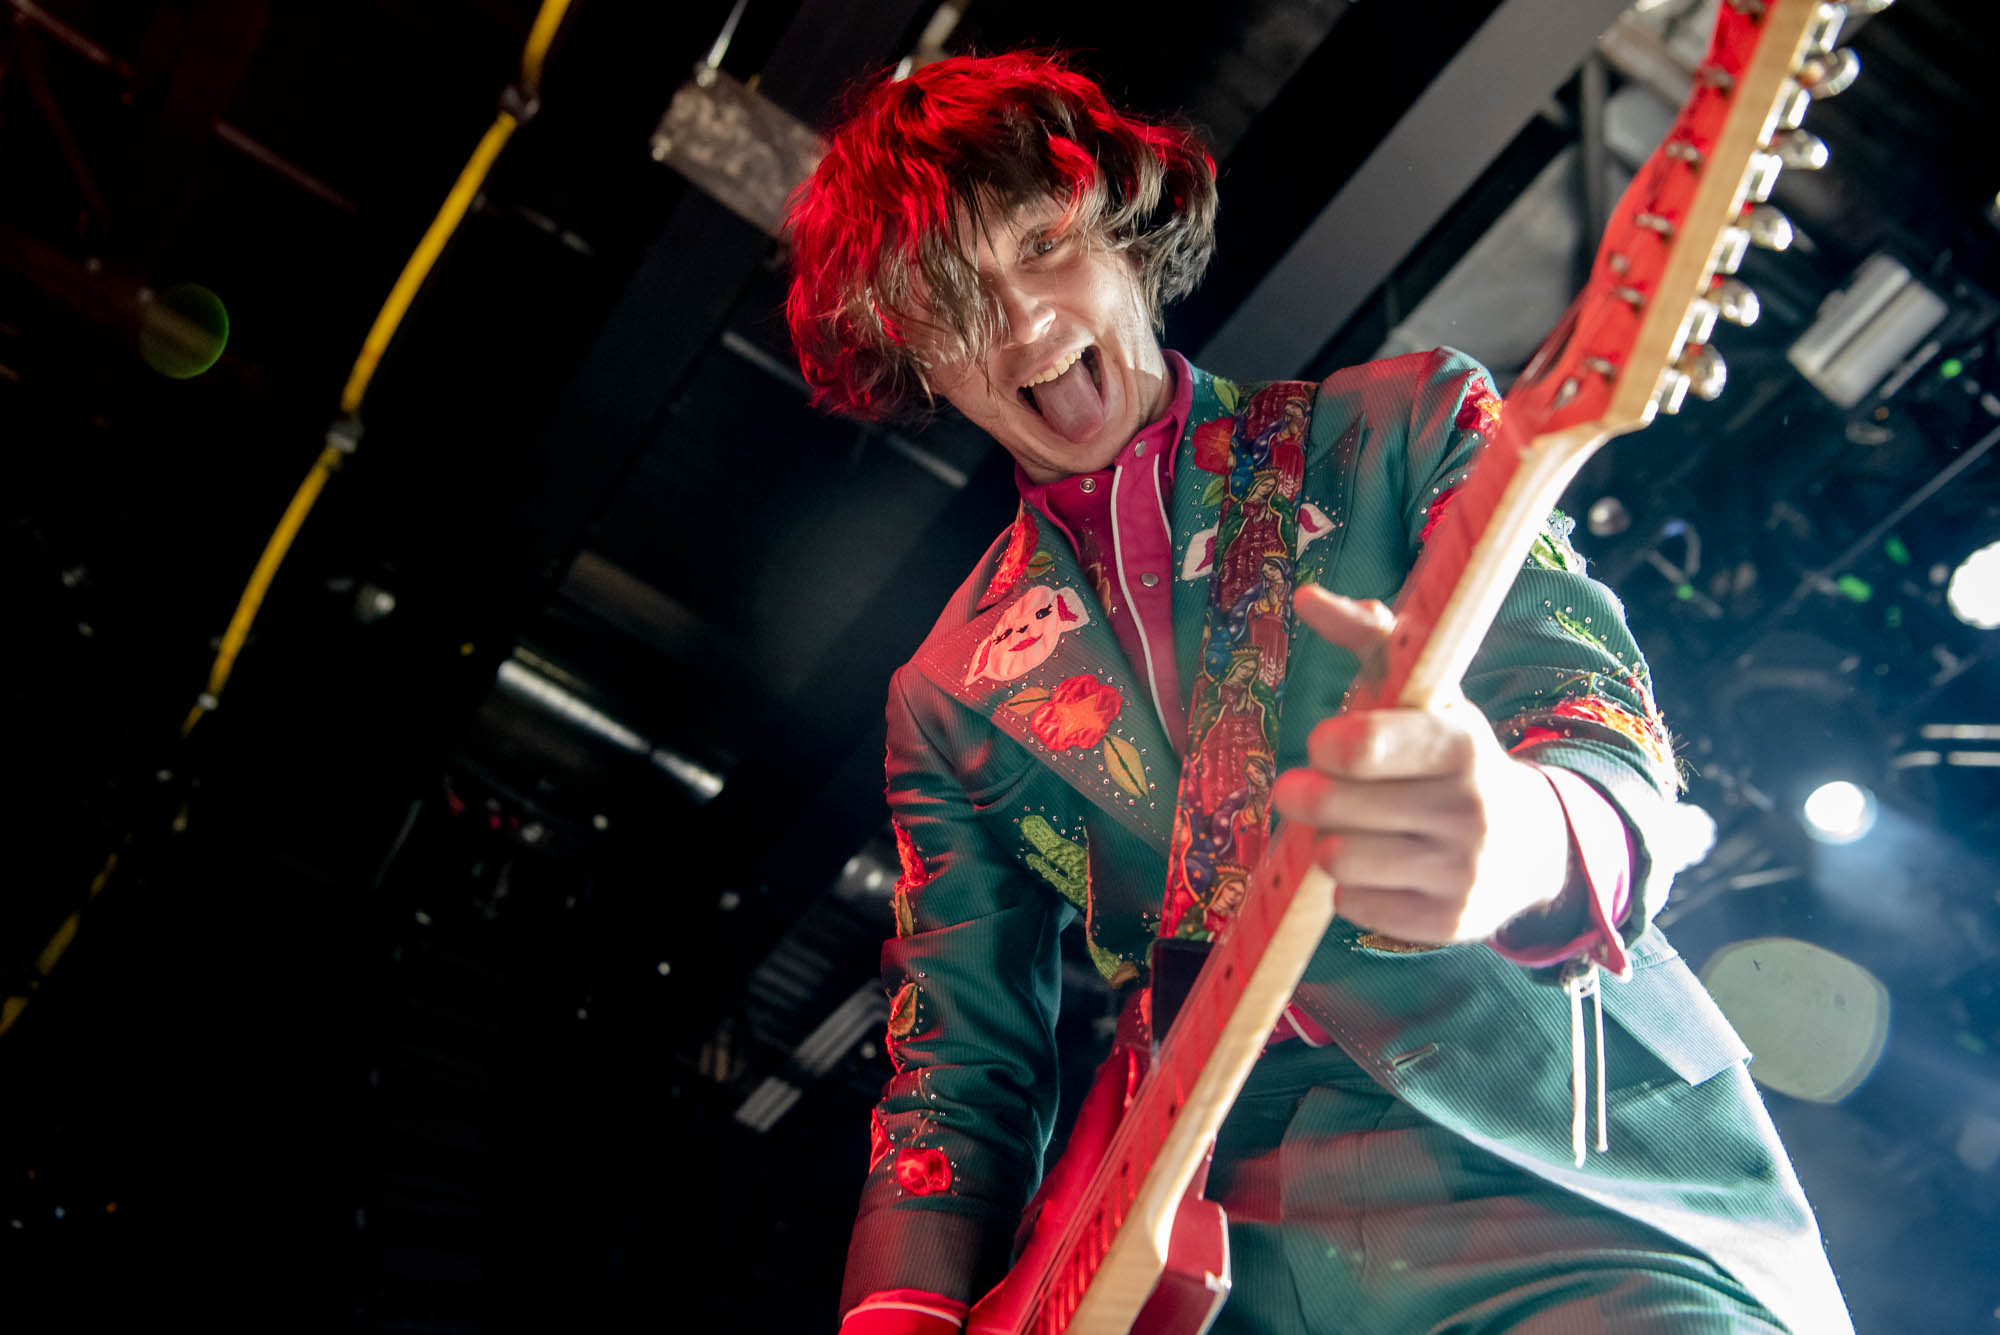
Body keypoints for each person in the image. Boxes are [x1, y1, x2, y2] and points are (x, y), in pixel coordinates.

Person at [785, 51, 1852, 1335]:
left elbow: (1587, 704)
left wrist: (1518, 837)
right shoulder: (944, 693)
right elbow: (954, 1069)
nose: (1019, 324)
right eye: (950, 304)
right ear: (912, 355)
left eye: (1044, 243)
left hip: (1556, 1166)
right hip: (1222, 1248)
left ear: (1124, 233)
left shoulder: (1398, 429)